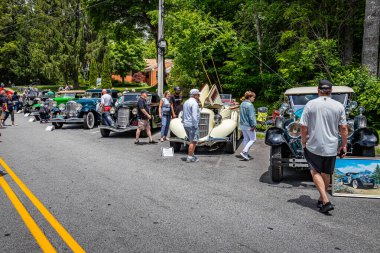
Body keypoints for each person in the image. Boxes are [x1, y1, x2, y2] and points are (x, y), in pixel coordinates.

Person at [300, 80, 348, 214]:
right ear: (331, 91)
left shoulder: (310, 104)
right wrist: (344, 145)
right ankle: (322, 199)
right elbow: (343, 128)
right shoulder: (338, 105)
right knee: (326, 173)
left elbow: (303, 127)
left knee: (315, 171)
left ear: (318, 90)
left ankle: (325, 200)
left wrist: (303, 141)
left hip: (314, 144)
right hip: (331, 145)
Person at [182, 89, 201, 163]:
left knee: (191, 141)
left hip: (186, 124)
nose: (199, 96)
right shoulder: (194, 103)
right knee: (193, 141)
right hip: (192, 124)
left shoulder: (186, 102)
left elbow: (183, 114)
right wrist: (196, 125)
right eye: (198, 95)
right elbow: (194, 115)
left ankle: (192, 155)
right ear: (195, 95)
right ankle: (190, 157)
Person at [239, 91, 257, 160]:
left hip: (242, 124)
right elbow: (251, 116)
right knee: (253, 139)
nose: (254, 99)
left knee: (246, 139)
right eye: (253, 97)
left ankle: (246, 154)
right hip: (249, 125)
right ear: (249, 97)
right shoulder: (250, 105)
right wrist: (254, 125)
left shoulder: (242, 104)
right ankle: (244, 152)